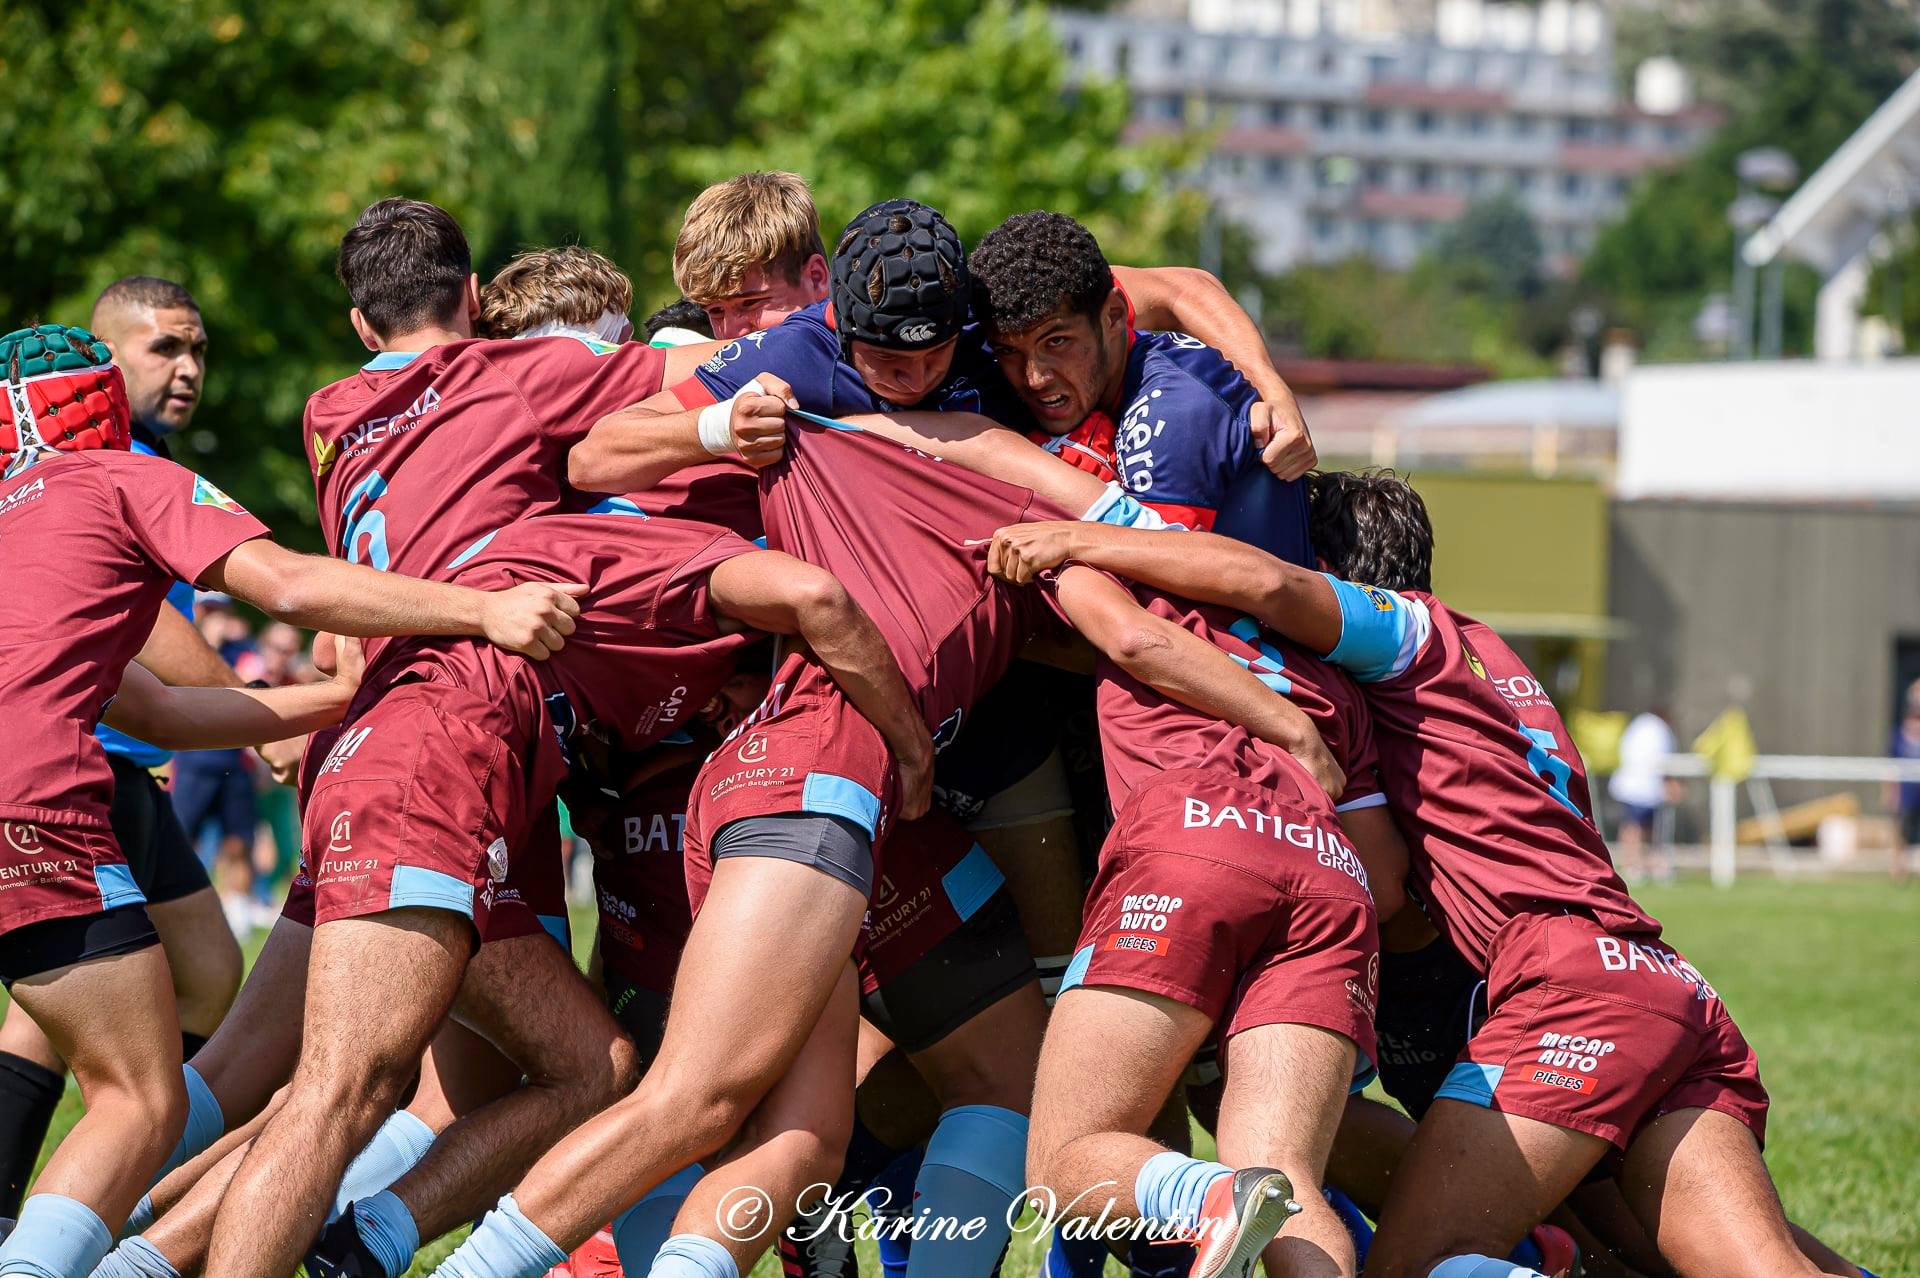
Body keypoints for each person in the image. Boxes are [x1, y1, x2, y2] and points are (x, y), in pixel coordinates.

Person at [434, 261, 1337, 1277]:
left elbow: (608, 457)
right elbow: (1135, 607)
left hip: (783, 790)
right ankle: (440, 1257)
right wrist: (1291, 722)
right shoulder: (1015, 499)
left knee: (823, 1130)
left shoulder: (850, 435)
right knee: (693, 1098)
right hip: (815, 782)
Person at [979, 471, 1823, 1278]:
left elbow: (1271, 590)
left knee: (1417, 1264)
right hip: (1661, 978)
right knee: (1721, 1258)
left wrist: (1085, 540)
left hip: (1563, 982)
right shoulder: (1496, 659)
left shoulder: (1407, 638)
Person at [0, 322, 585, 1278]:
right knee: (140, 1098)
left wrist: (343, 701)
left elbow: (161, 708)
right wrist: (481, 609)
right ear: (102, 405)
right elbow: (287, 583)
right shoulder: (126, 477)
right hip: (38, 802)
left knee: (169, 1051)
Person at [968, 210, 1312, 556]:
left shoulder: (1171, 415)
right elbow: (1180, 286)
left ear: (1113, 316)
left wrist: (1272, 388)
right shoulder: (984, 318)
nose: (1035, 378)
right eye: (1008, 351)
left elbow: (1167, 580)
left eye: (1056, 342)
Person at [1608, 706, 1677, 883]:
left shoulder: (1638, 725)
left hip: (1635, 784)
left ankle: (1641, 864)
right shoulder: (1659, 730)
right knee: (1634, 827)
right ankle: (1633, 864)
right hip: (1642, 785)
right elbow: (1663, 760)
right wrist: (1671, 784)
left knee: (1641, 826)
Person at [1885, 679, 1920, 882]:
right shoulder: (1899, 734)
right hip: (1907, 790)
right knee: (1902, 833)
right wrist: (1891, 792)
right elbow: (1891, 764)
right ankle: (1899, 870)